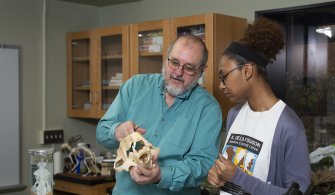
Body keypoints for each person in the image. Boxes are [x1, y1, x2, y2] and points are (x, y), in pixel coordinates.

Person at [96, 34, 222, 195]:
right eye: (174, 62)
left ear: (202, 70)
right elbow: (102, 130)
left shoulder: (208, 109)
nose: (178, 72)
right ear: (166, 58)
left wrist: (161, 176)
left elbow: (202, 164)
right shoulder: (135, 86)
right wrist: (116, 130)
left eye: (189, 68)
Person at [207, 17, 311, 195]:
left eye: (224, 76)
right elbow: (230, 171)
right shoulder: (234, 114)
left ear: (247, 71)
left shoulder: (289, 127)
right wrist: (217, 176)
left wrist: (239, 177)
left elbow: (298, 193)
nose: (221, 85)